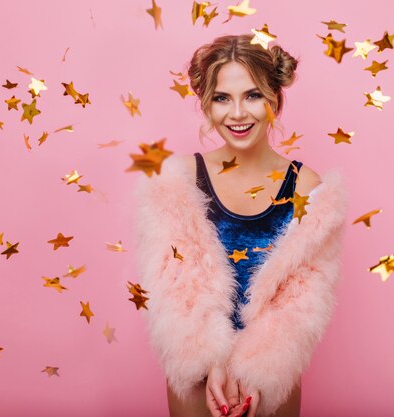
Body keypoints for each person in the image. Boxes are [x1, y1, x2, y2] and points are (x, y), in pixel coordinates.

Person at [132, 34, 348, 417]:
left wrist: (259, 366)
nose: (237, 113)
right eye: (221, 98)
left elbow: (303, 298)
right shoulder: (177, 181)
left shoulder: (307, 186)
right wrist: (210, 360)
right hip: (198, 374)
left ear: (274, 100)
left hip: (271, 375)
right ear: (206, 105)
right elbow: (172, 288)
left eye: (251, 95)